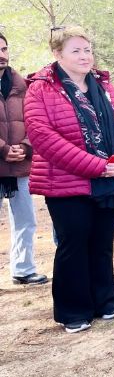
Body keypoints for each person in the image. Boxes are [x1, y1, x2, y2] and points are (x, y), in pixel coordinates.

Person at [25, 26, 114, 333]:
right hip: (66, 183)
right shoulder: (41, 89)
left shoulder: (105, 86)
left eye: (87, 50)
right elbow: (44, 138)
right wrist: (96, 166)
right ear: (57, 54)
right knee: (73, 244)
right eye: (76, 50)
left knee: (102, 243)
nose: (84, 56)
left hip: (110, 180)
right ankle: (73, 310)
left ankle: (106, 300)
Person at [0, 32, 47, 286]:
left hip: (20, 164)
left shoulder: (23, 85)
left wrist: (27, 147)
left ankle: (23, 269)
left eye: (4, 49)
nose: (2, 55)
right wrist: (3, 149)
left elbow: (36, 120)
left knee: (26, 219)